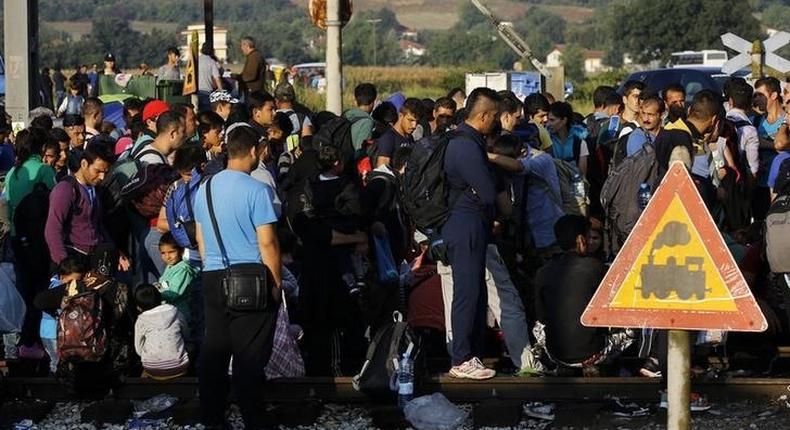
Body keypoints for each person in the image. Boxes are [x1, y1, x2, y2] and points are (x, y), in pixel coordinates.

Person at [193, 124, 282, 428]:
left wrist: (214, 267)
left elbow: (201, 238)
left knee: (215, 349)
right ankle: (253, 417)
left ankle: (213, 417)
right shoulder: (257, 190)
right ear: (255, 151)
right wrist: (276, 283)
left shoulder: (204, 188)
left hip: (213, 275)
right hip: (251, 278)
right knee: (249, 354)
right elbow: (267, 242)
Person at [443, 88, 499, 380]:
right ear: (485, 115)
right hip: (465, 222)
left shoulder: (465, 140)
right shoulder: (466, 145)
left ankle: (470, 354)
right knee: (466, 292)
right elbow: (488, 193)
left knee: (473, 291)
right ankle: (462, 358)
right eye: (495, 115)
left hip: (466, 221)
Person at [532, 215, 633, 375]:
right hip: (593, 353)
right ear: (581, 239)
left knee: (539, 326)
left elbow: (542, 317)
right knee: (631, 324)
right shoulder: (596, 268)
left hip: (556, 354)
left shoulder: (543, 271)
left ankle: (563, 365)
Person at [6, 128, 57, 356]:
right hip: (40, 239)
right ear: (41, 147)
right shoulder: (45, 171)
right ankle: (35, 340)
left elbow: (8, 206)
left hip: (17, 238)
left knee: (22, 289)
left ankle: (24, 342)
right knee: (40, 288)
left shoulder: (12, 173)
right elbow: (55, 204)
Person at [39, 256, 87, 375]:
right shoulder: (57, 288)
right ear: (62, 277)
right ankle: (54, 385)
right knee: (56, 360)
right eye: (71, 281)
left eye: (78, 281)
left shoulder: (64, 286)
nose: (74, 285)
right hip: (51, 332)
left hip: (57, 331)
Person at [133, 283, 190, 379]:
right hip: (180, 367)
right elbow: (187, 334)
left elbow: (138, 349)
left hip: (152, 369)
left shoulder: (141, 320)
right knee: (191, 345)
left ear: (139, 307)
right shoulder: (175, 312)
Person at [754, 77, 786, 220]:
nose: (757, 99)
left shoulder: (786, 120)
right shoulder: (756, 120)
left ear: (773, 95)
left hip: (781, 186)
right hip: (760, 185)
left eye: (761, 95)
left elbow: (783, 147)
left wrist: (762, 142)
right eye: (756, 96)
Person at [157, 232, 198, 326]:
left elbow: (173, 293)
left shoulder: (182, 270)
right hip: (172, 313)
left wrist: (155, 293)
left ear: (181, 251)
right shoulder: (171, 266)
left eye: (171, 252)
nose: (167, 257)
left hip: (181, 315)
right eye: (163, 253)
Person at [726, 80, 760, 180]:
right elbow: (753, 166)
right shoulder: (750, 130)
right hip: (736, 176)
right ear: (750, 104)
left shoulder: (721, 120)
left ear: (730, 101)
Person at [374, 97, 421, 167]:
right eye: (410, 120)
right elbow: (382, 169)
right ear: (401, 115)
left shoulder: (409, 137)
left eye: (417, 121)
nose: (414, 125)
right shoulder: (388, 138)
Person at [546, 101, 589, 176]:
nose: (548, 124)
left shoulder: (579, 143)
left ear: (564, 120)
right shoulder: (547, 141)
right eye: (548, 120)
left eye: (552, 120)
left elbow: (582, 175)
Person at [275, 82, 313, 153]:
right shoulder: (303, 119)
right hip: (296, 161)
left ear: (276, 101)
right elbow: (308, 145)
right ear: (293, 100)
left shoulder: (270, 118)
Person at [344, 83, 377, 151]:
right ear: (373, 102)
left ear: (355, 101)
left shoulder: (345, 115)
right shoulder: (367, 123)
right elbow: (361, 152)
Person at [197, 43, 223, 112]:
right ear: (211, 51)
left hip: (196, 92)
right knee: (206, 113)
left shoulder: (196, 61)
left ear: (201, 50)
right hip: (207, 92)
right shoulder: (211, 62)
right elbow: (217, 77)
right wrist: (220, 89)